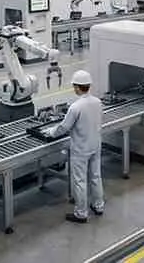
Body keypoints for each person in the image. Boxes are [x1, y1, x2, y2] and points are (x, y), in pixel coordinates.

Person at [47, 70, 104, 223]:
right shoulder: (98, 102)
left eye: (74, 86)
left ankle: (81, 213)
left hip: (81, 149)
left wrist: (50, 132)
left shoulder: (76, 107)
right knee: (96, 176)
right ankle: (98, 206)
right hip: (96, 145)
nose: (74, 88)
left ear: (78, 87)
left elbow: (63, 128)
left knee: (80, 181)